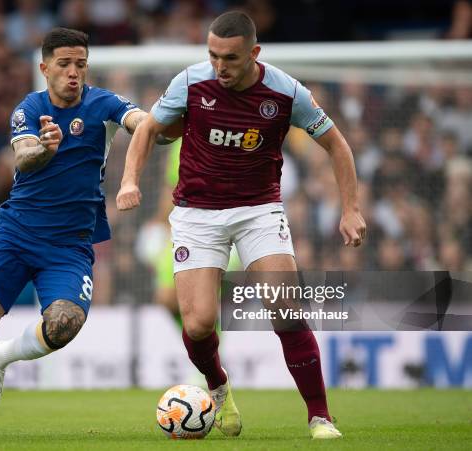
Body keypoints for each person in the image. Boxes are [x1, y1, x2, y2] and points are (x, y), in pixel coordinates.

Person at [117, 11, 366, 439]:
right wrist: (129, 180)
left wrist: (351, 209)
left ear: (254, 53)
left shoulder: (287, 92)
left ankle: (319, 416)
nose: (220, 66)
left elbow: (337, 145)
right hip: (197, 213)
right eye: (213, 55)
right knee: (197, 324)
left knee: (284, 309)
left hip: (258, 210)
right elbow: (148, 130)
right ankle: (218, 388)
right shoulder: (191, 82)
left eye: (230, 58)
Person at [0, 27, 156, 436]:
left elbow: (136, 118)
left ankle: (1, 358)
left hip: (69, 245)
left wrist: (153, 121)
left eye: (80, 65)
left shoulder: (102, 103)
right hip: (16, 233)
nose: (73, 73)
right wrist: (45, 148)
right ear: (45, 67)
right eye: (64, 64)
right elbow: (23, 156)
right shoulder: (28, 108)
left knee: (64, 323)